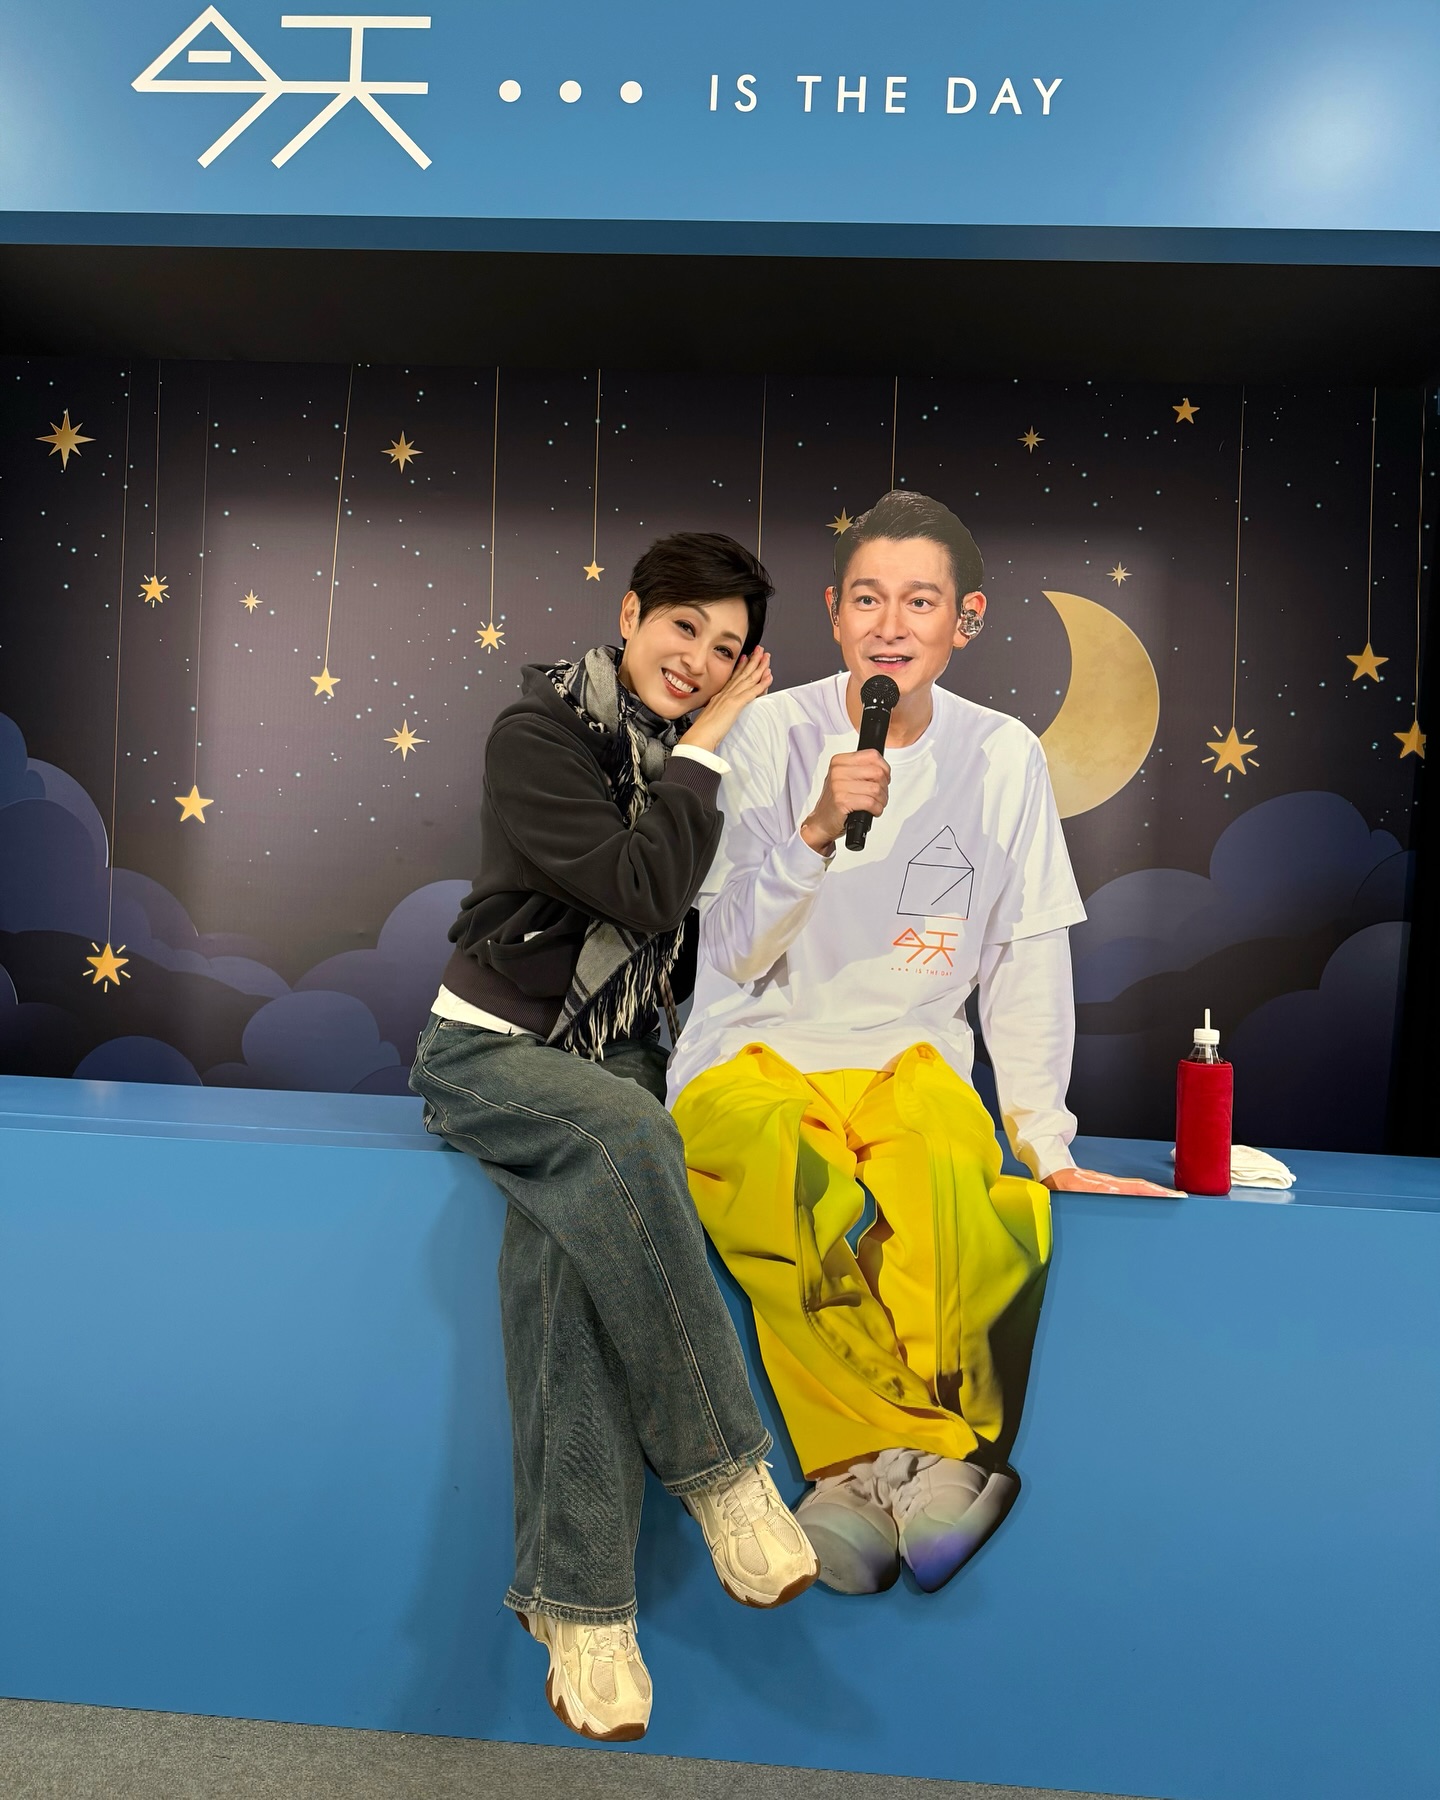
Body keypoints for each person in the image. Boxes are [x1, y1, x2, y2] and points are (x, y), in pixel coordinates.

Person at [669, 490, 1178, 1599]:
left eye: (919, 601)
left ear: (966, 620)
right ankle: (913, 1464)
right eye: (867, 600)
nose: (890, 625)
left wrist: (1044, 1138)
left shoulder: (1003, 757)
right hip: (753, 1045)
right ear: (834, 614)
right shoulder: (763, 735)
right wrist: (814, 832)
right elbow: (736, 947)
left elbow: (1025, 953)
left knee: (958, 1189)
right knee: (773, 1179)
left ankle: (858, 1482)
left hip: (910, 1056)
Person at [410, 533, 817, 1743]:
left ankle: (582, 1615)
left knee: (567, 1268)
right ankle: (726, 1478)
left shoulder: (702, 771)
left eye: (728, 649)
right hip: (490, 1051)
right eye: (686, 627)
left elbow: (713, 928)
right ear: (632, 614)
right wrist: (707, 746)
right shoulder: (537, 734)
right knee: (629, 1131)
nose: (700, 660)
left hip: (622, 1057)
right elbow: (640, 890)